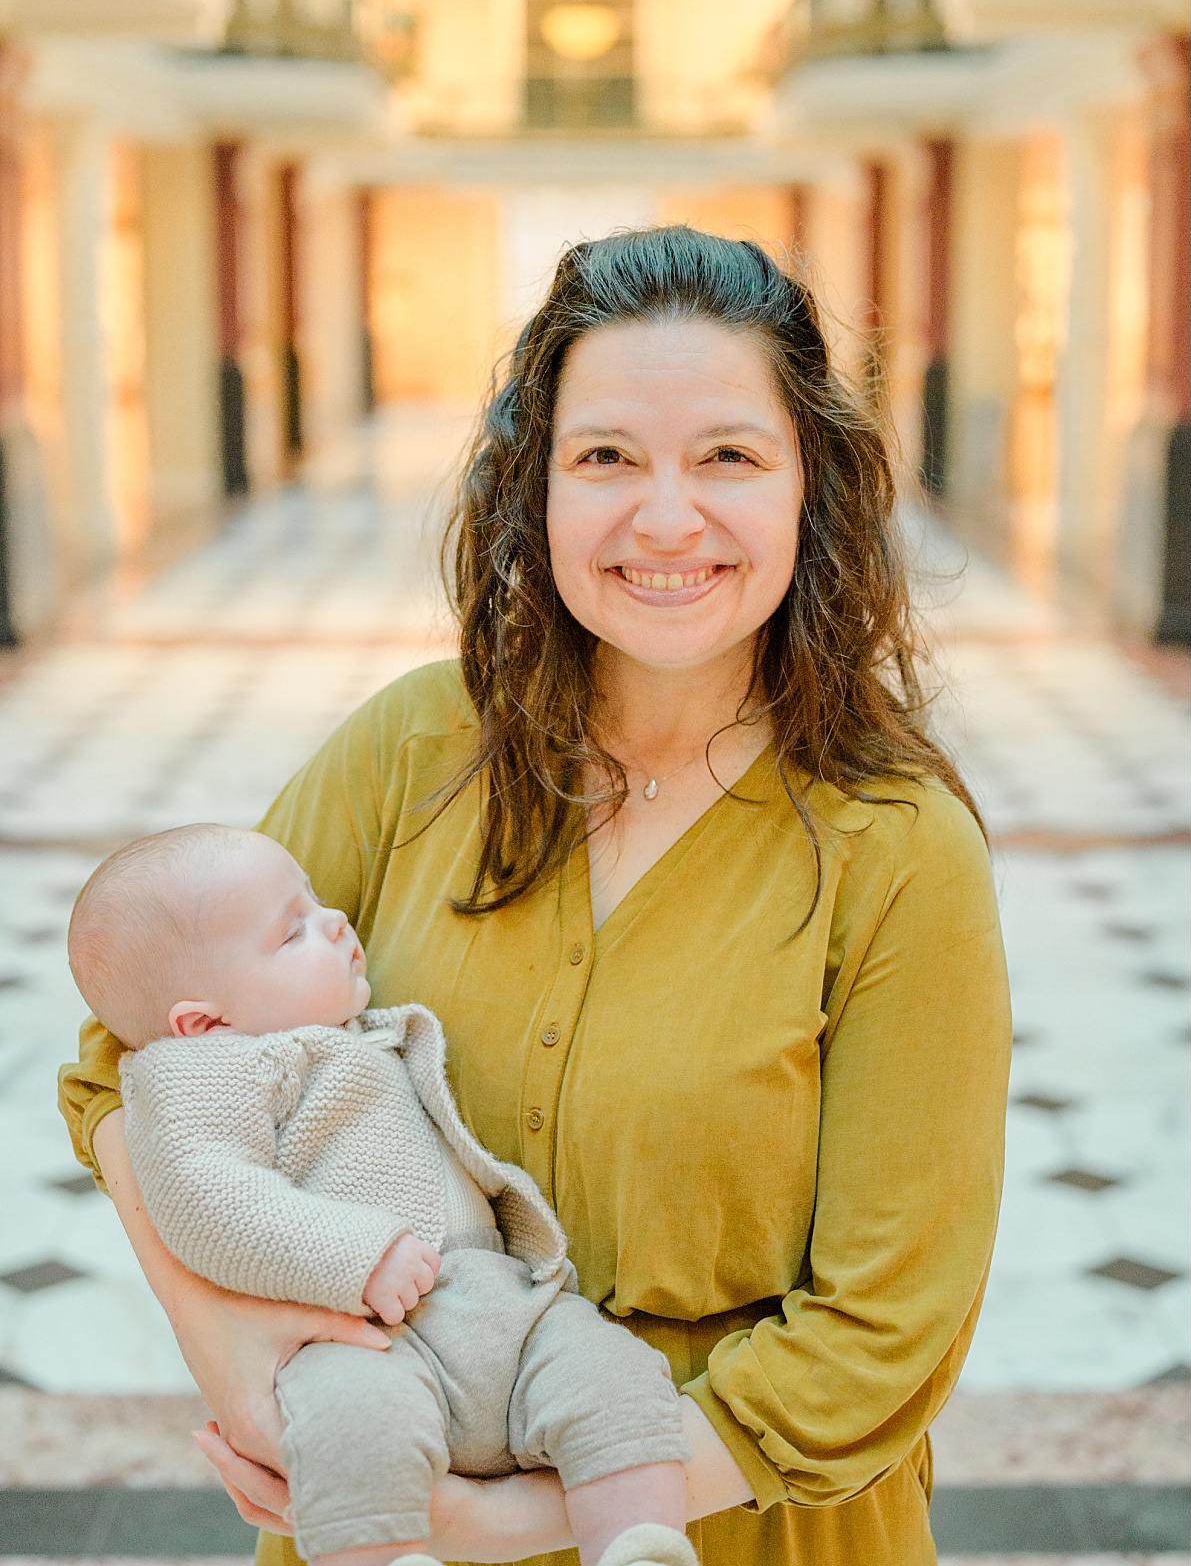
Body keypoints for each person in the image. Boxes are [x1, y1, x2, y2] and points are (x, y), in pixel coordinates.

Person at [59, 225, 1012, 1566]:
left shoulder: (899, 848)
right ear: (539, 489)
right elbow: (129, 1063)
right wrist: (230, 1346)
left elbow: (884, 1331)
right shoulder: (411, 749)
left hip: (739, 1531)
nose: (665, 518)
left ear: (813, 489)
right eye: (606, 457)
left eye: (729, 457)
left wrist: (508, 1519)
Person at [71, 824, 695, 1566]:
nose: (334, 920)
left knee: (616, 1380)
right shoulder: (197, 1075)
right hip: (360, 1330)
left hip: (507, 1308)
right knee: (351, 1434)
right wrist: (359, 1255)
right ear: (205, 1023)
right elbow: (210, 1199)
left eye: (317, 901)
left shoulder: (343, 1034)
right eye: (292, 931)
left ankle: (640, 1547)